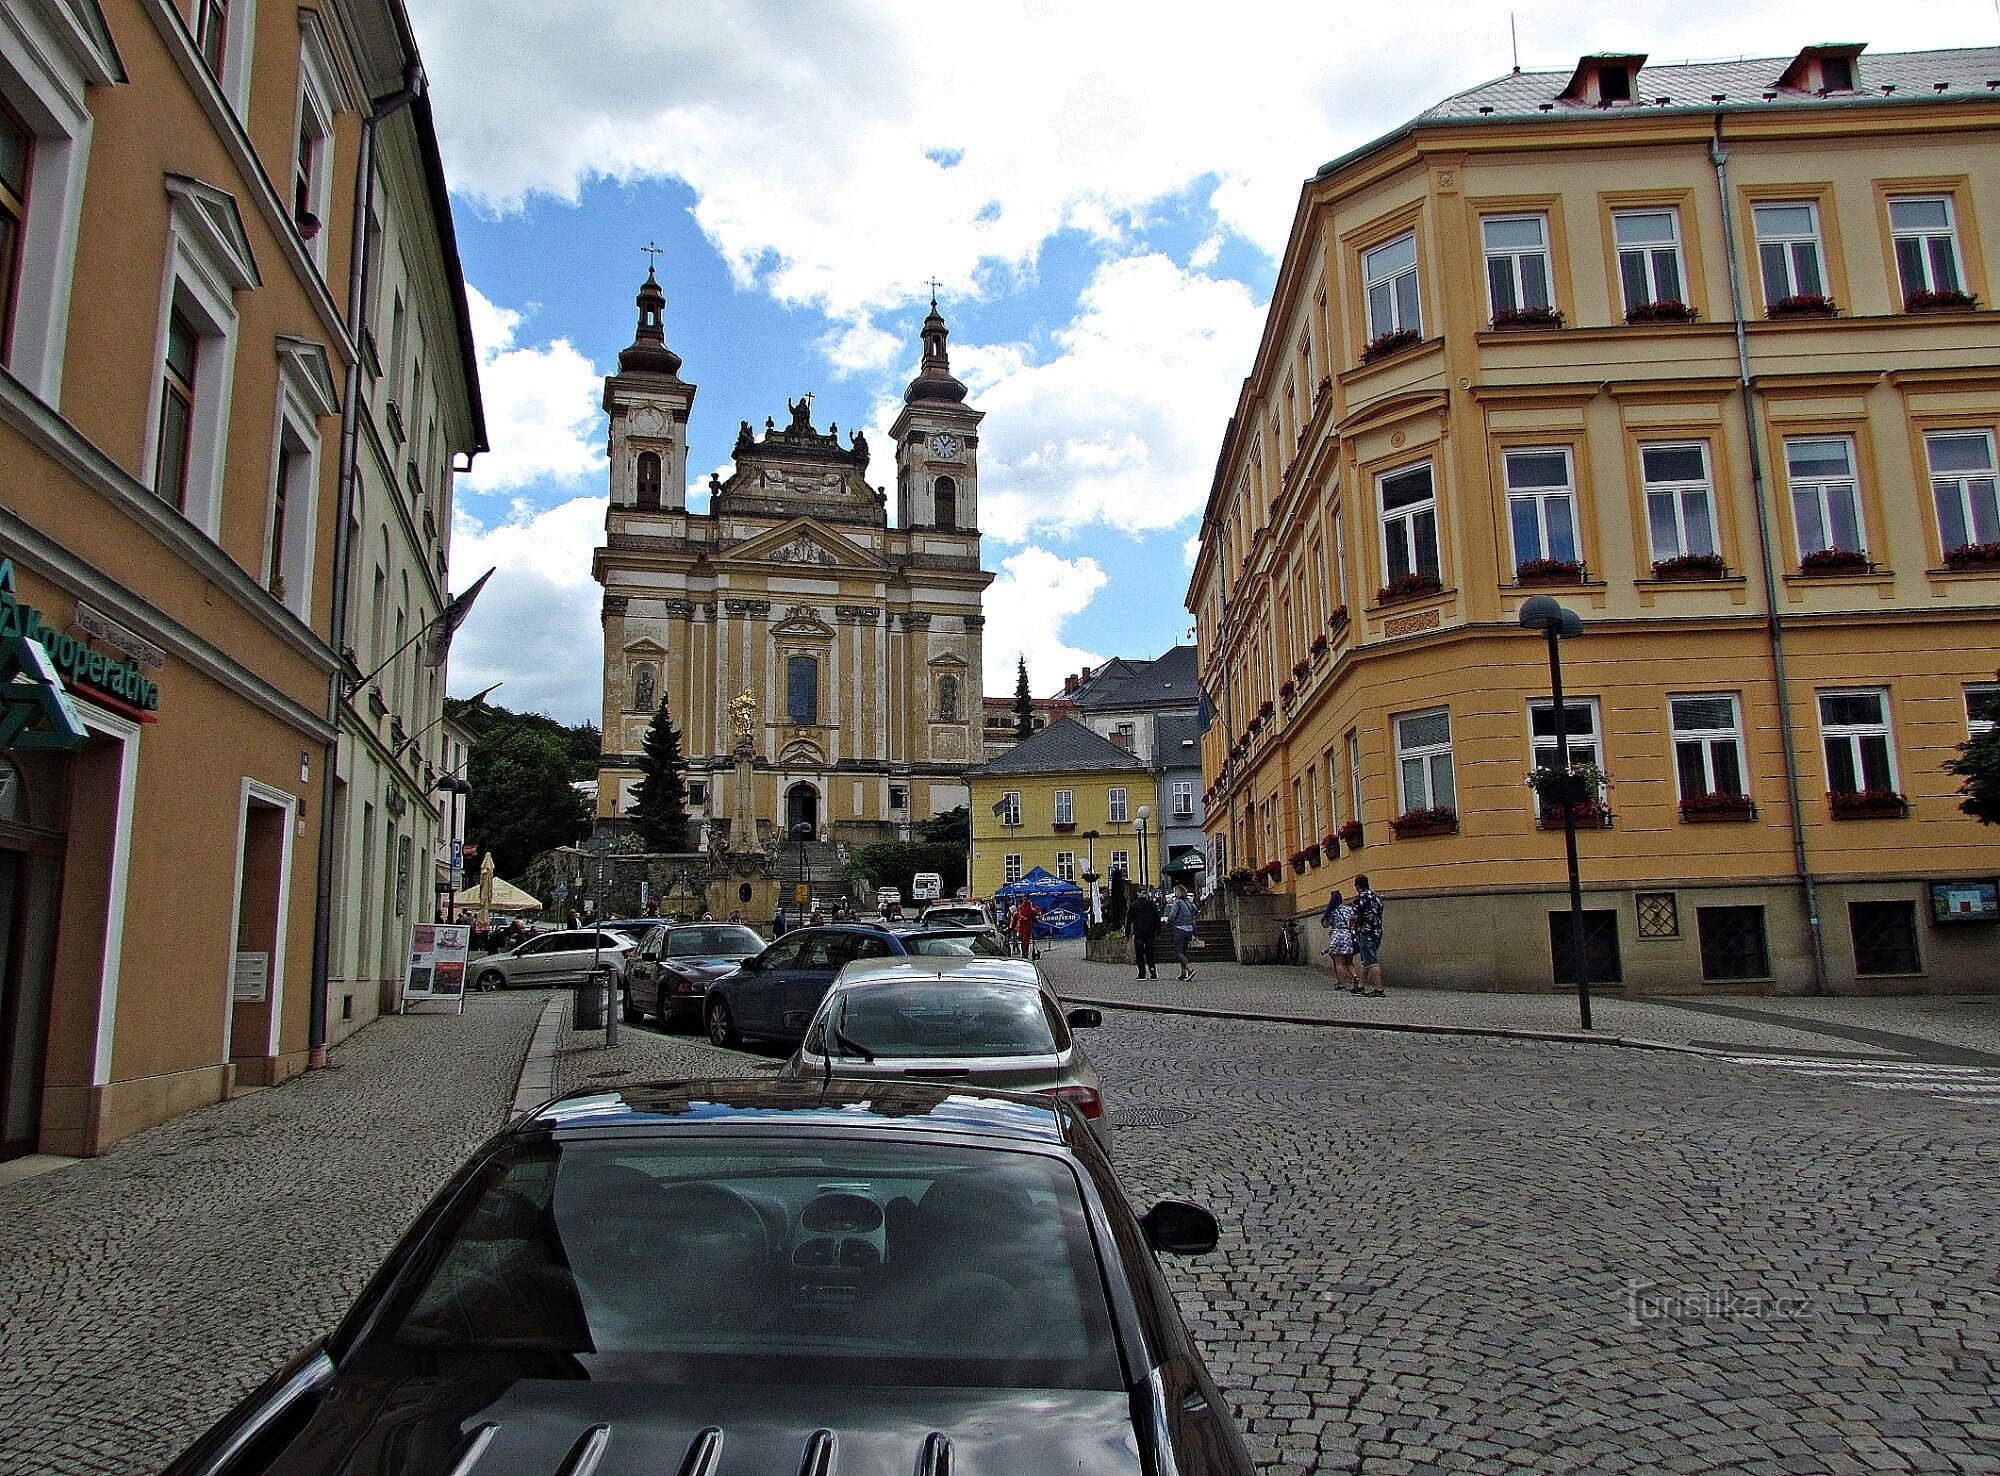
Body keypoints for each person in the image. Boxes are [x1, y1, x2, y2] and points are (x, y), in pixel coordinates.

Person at [1352, 874, 1386, 997]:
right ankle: (1360, 986)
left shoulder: (1360, 899)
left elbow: (1354, 916)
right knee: (1365, 960)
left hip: (1366, 932)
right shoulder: (1377, 898)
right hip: (1377, 931)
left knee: (1372, 961)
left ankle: (1379, 989)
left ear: (1357, 886)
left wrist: (1350, 924)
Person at [1320, 888, 1357, 991]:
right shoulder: (1348, 909)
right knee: (1349, 962)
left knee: (1339, 963)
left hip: (1337, 935)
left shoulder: (1332, 911)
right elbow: (1353, 920)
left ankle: (1341, 983)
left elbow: (1325, 925)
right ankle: (1355, 977)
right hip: (1348, 935)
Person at [1126, 888, 1162, 981]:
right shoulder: (1152, 904)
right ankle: (1153, 970)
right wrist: (1158, 931)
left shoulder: (1134, 905)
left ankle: (1142, 973)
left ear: (1138, 893)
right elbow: (1157, 918)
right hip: (1150, 932)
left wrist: (1127, 933)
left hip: (1139, 932)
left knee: (1140, 953)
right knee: (1150, 952)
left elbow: (1129, 920)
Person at [1163, 885, 1197, 981]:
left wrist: (1168, 923)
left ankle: (1189, 969)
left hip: (1179, 929)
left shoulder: (1177, 903)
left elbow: (1172, 915)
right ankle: (1183, 973)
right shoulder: (1189, 902)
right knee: (1184, 952)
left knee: (1178, 952)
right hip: (1189, 930)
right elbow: (1194, 912)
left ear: (1178, 893)